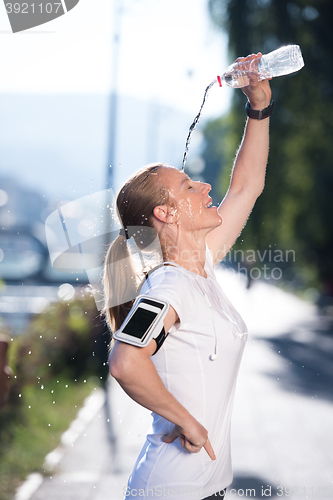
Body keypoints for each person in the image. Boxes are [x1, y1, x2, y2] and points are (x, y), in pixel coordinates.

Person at [104, 53, 272, 499]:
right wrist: (186, 421)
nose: (206, 188)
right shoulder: (171, 286)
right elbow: (125, 361)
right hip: (173, 489)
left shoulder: (200, 269)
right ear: (165, 213)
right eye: (189, 187)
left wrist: (258, 106)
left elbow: (246, 186)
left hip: (204, 486)